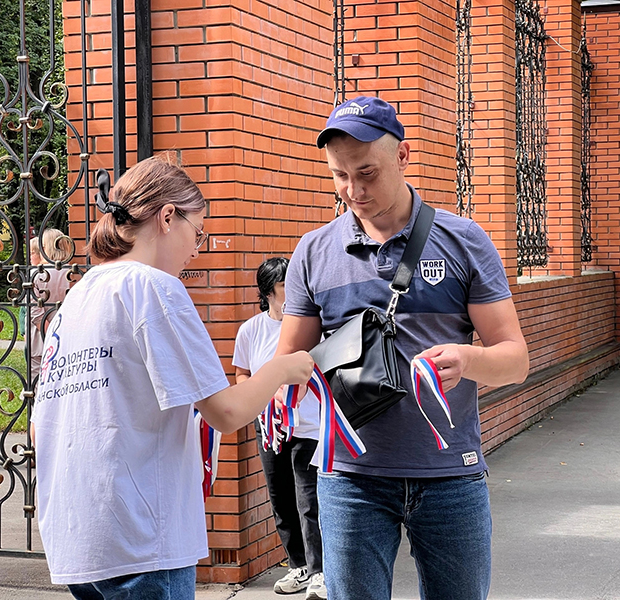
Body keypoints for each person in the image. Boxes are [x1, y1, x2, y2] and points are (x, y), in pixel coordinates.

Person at [275, 96, 530, 600]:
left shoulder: (463, 240)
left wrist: (469, 359)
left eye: (367, 173)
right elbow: (289, 363)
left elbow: (515, 360)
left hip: (450, 476)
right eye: (340, 176)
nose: (354, 190)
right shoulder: (313, 251)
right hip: (350, 480)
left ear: (404, 155)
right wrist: (285, 386)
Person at [31, 156, 313, 600]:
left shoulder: (78, 296)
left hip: (78, 537)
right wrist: (282, 367)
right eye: (197, 232)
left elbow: (43, 426)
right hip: (142, 539)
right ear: (167, 217)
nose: (197, 249)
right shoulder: (154, 287)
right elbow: (225, 411)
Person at [233, 258, 325, 599]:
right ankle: (297, 565)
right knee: (281, 498)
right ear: (268, 292)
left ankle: (319, 571)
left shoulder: (310, 327)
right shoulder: (250, 330)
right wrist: (258, 394)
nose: (292, 292)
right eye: (285, 286)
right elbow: (241, 372)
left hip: (308, 425)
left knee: (308, 500)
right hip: (270, 427)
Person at [26, 229, 71, 377]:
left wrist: (51, 337)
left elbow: (36, 314)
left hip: (40, 339)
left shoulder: (36, 274)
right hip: (68, 336)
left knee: (38, 381)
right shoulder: (73, 272)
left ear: (45, 247)